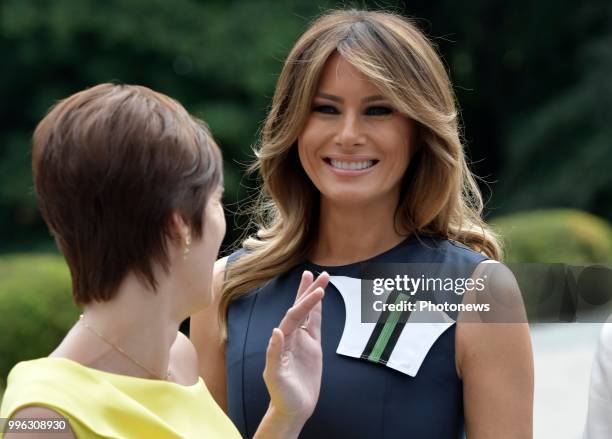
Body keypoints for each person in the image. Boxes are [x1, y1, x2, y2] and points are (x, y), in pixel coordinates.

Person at [191, 9, 534, 439]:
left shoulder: (479, 293)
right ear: (293, 125)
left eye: (378, 110)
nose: (349, 134)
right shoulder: (227, 289)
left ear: (419, 130)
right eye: (325, 109)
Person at [0, 83, 329, 438]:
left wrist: (285, 416)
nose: (223, 221)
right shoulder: (42, 418)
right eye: (215, 199)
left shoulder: (181, 358)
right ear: (180, 226)